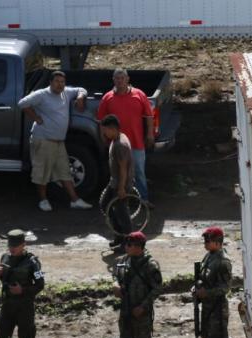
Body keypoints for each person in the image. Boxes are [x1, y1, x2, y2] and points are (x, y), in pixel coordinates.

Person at [18, 70, 94, 212]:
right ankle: (43, 200)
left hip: (59, 141)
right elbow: (22, 103)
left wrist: (80, 97)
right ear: (51, 82)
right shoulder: (42, 94)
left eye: (62, 82)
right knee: (42, 172)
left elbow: (81, 89)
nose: (60, 85)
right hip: (43, 139)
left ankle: (75, 200)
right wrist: (36, 118)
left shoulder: (66, 92)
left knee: (64, 171)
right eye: (57, 82)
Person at [111, 230, 163, 338]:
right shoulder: (123, 260)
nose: (126, 247)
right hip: (125, 307)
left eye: (129, 244)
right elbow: (115, 274)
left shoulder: (150, 264)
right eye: (126, 243)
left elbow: (157, 288)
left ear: (139, 246)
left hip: (141, 310)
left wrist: (144, 306)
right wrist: (115, 285)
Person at [96, 68, 155, 203]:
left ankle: (143, 201)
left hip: (136, 142)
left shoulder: (139, 94)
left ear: (128, 79)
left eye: (122, 78)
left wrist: (150, 134)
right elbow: (101, 121)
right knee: (118, 174)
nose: (120, 81)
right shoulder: (107, 97)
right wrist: (103, 137)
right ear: (113, 80)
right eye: (117, 78)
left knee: (139, 172)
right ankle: (122, 201)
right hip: (117, 145)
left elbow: (149, 116)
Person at [190, 226, 233, 338]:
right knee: (210, 336)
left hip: (218, 307)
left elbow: (225, 288)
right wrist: (197, 287)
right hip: (208, 306)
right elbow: (203, 277)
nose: (205, 243)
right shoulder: (209, 256)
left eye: (207, 240)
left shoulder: (223, 261)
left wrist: (206, 293)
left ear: (217, 242)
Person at [99, 114, 135, 252]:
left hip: (121, 183)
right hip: (114, 182)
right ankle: (119, 235)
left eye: (105, 130)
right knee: (104, 204)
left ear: (112, 129)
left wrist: (121, 188)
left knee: (122, 213)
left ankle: (128, 243)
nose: (104, 133)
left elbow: (123, 169)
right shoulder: (117, 138)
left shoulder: (121, 144)